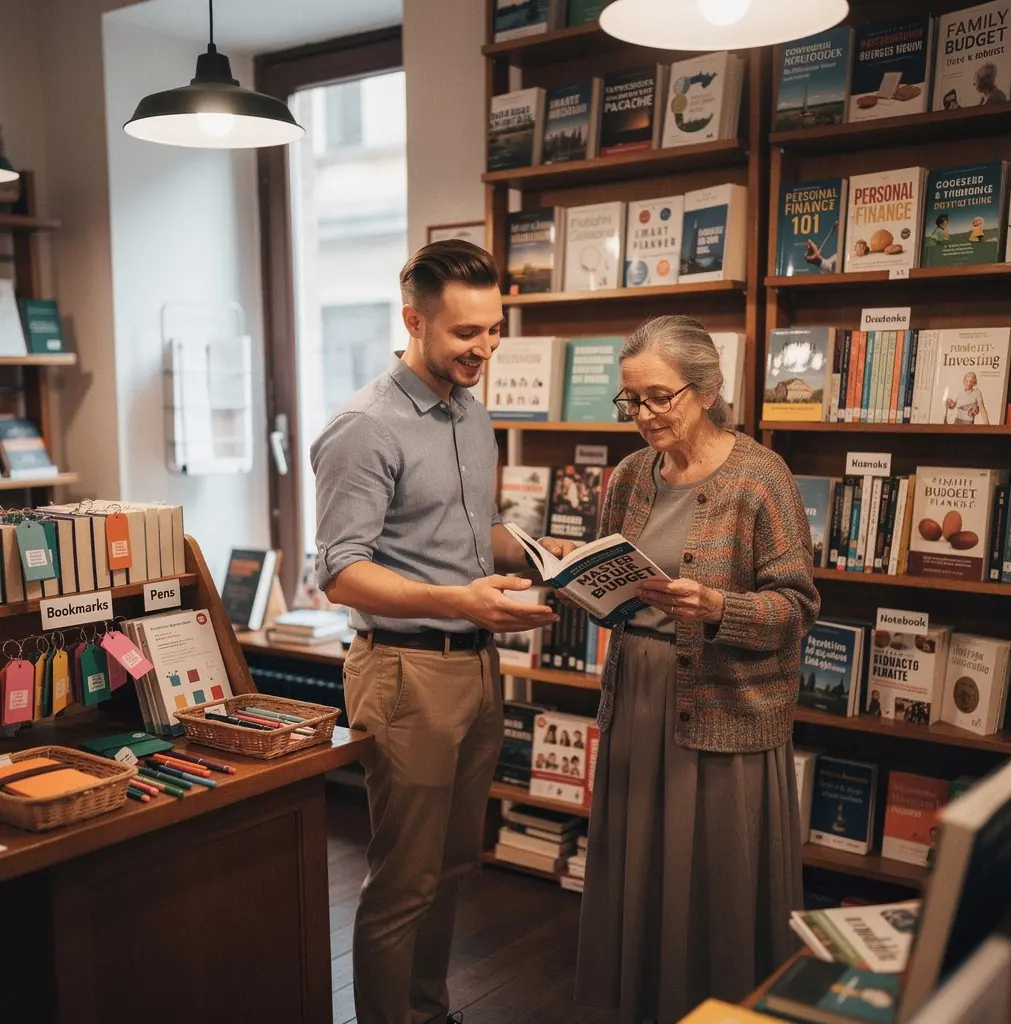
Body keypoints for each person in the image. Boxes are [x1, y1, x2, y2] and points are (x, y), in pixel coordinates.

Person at [542, 315, 819, 1022]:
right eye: (631, 400)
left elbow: (797, 606)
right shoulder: (631, 476)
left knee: (716, 880)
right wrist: (582, 586)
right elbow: (616, 581)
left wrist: (719, 607)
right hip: (637, 694)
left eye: (658, 398)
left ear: (707, 388)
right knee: (642, 870)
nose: (643, 416)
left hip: (725, 706)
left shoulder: (762, 477)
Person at [311, 239, 559, 1024]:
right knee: (403, 880)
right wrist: (464, 604)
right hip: (405, 672)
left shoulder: (471, 412)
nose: (484, 348)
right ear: (414, 320)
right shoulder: (364, 427)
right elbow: (341, 571)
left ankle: (428, 1010)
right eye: (465, 334)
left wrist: (560, 557)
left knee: (454, 867)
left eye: (494, 329)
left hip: (476, 667)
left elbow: (467, 532)